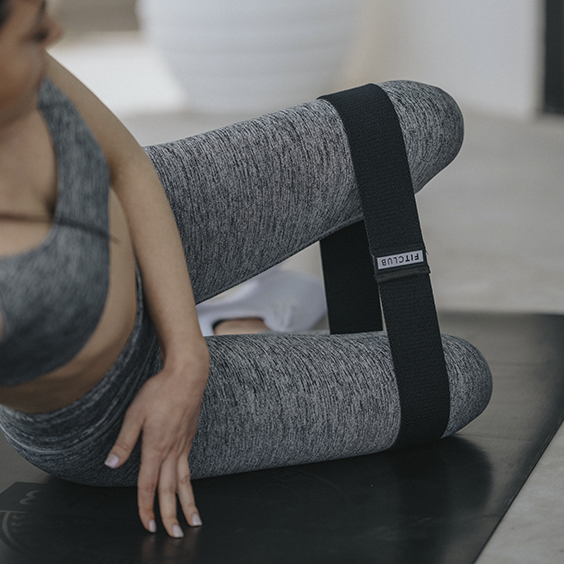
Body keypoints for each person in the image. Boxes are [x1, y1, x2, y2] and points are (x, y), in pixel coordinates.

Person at [0, 0, 491, 540]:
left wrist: (189, 358)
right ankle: (231, 317)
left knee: (416, 116)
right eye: (33, 33)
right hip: (119, 406)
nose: (54, 31)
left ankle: (215, 318)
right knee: (455, 379)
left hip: (153, 213)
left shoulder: (23, 52)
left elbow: (125, 163)